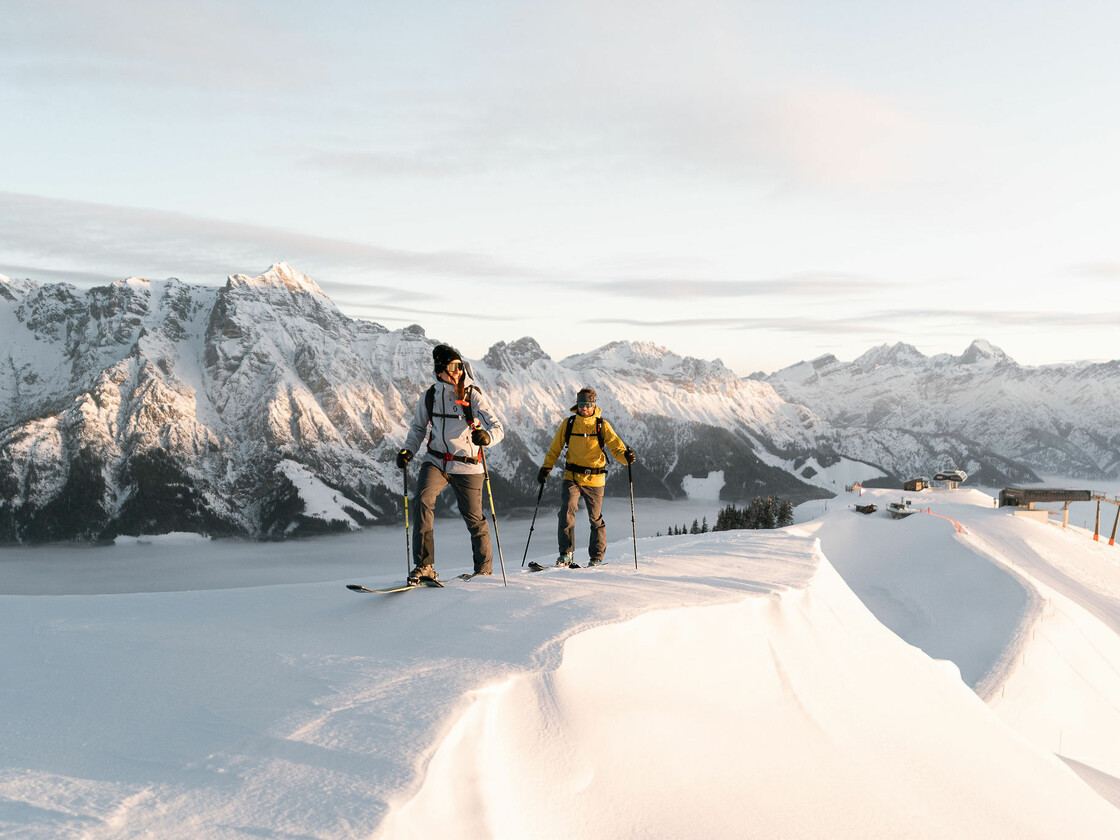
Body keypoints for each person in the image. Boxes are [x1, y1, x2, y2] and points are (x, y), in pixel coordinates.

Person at [396, 344, 504, 583]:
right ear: (441, 369)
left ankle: (483, 570)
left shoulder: (472, 394)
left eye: (460, 366)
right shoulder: (430, 396)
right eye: (453, 366)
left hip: (467, 464)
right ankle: (424, 566)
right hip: (435, 461)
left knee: (473, 517)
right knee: (422, 501)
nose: (458, 371)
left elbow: (498, 428)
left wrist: (487, 438)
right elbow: (418, 429)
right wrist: (408, 450)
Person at [537, 387, 635, 566]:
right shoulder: (568, 424)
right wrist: (546, 468)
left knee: (595, 518)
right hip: (572, 475)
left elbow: (616, 446)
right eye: (581, 404)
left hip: (595, 478)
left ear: (594, 405)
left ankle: (596, 557)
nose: (584, 408)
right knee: (566, 512)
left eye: (588, 405)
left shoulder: (601, 425)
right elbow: (555, 448)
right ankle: (566, 553)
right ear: (577, 404)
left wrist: (625, 459)